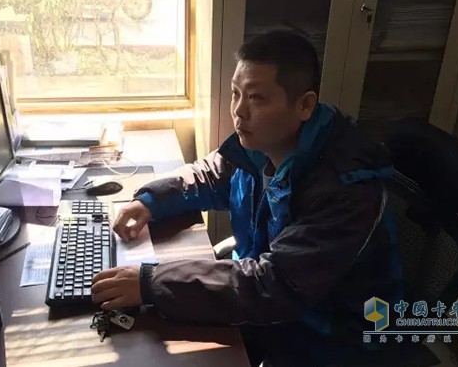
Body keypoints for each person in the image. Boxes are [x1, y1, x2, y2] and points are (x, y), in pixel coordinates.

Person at [91, 30, 403, 366]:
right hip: (274, 308)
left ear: (304, 105)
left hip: (333, 337)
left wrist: (152, 283)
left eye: (256, 98)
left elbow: (277, 285)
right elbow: (211, 175)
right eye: (235, 94)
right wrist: (149, 201)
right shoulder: (263, 144)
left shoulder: (345, 190)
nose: (239, 111)